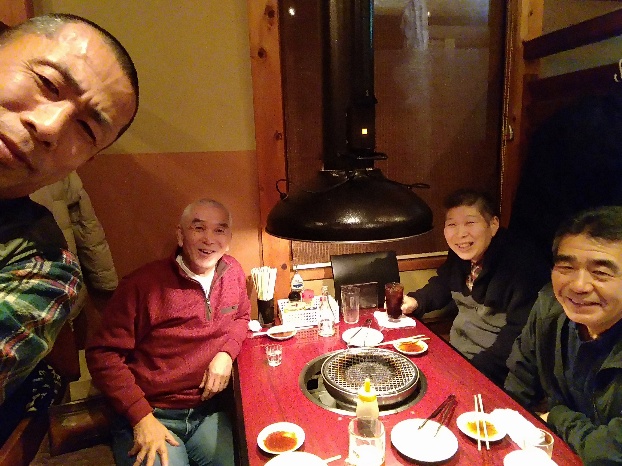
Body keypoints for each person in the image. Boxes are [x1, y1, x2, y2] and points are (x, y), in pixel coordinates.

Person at [0, 13, 138, 443]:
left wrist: (105, 285)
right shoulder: (155, 283)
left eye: (86, 129)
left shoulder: (42, 269)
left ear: (85, 160)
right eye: (47, 82)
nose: (48, 127)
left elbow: (87, 227)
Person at [86, 199, 250, 466]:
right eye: (199, 228)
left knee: (247, 459)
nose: (209, 239)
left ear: (229, 239)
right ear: (180, 235)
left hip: (207, 413)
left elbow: (242, 317)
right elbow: (102, 355)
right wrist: (140, 416)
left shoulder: (233, 272)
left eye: (219, 230)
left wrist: (226, 353)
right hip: (151, 413)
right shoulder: (142, 285)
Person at [505, 206, 622, 465]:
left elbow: (610, 453)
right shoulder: (549, 307)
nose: (578, 286)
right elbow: (519, 383)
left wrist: (557, 416)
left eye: (601, 272)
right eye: (566, 267)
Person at [401, 189, 549, 386]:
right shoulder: (463, 253)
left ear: (493, 225)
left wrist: (469, 374)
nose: (460, 234)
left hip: (497, 374)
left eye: (470, 222)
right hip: (457, 354)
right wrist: (416, 301)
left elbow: (518, 337)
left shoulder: (522, 265)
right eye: (452, 224)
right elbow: (444, 282)